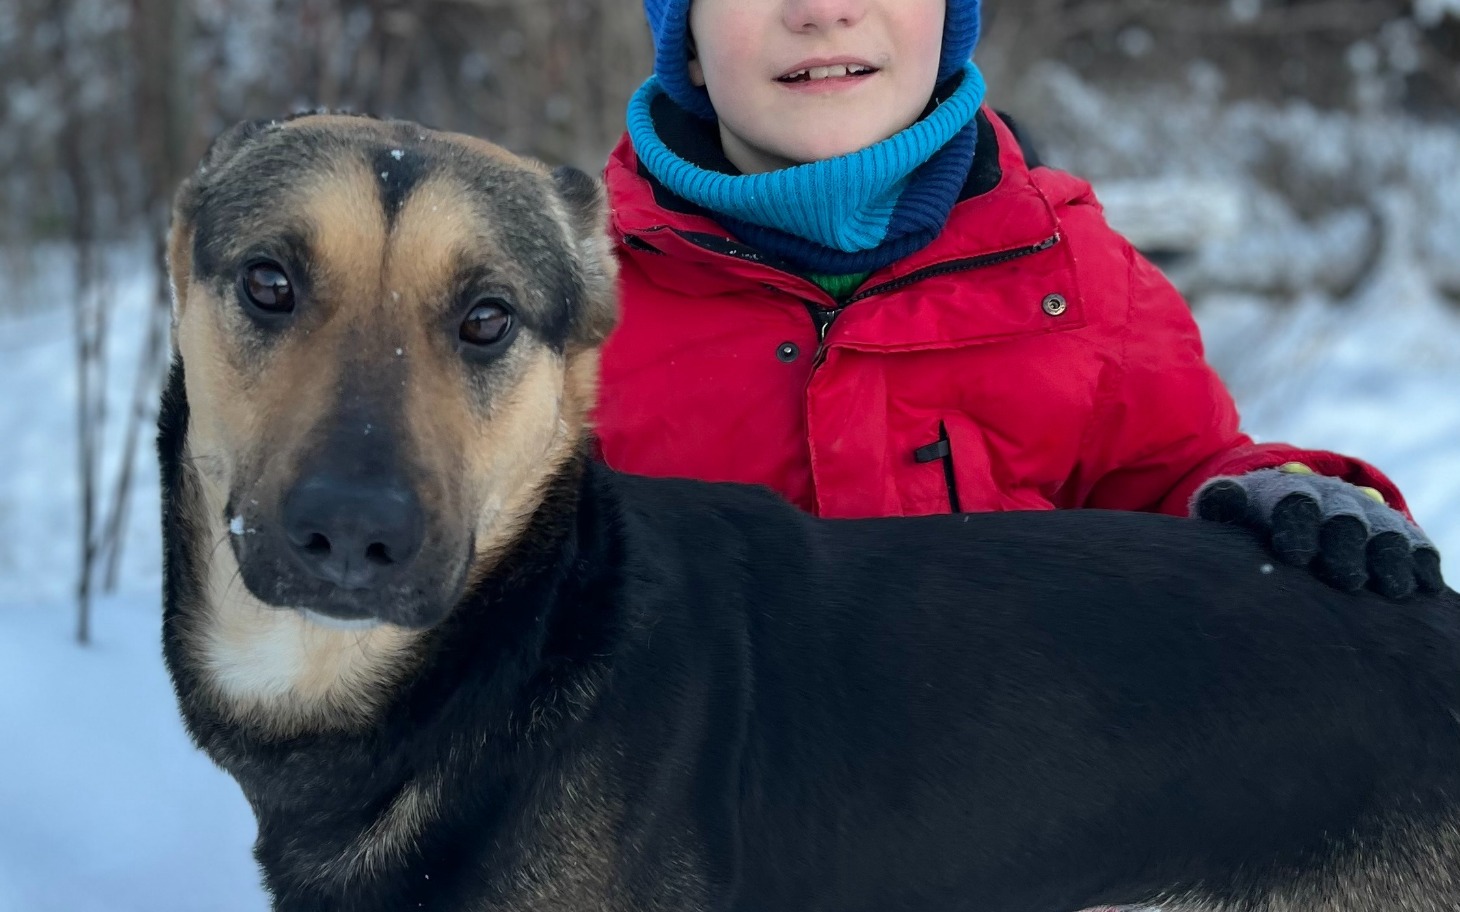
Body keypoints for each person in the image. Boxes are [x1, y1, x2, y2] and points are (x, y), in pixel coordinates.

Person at [592, 0, 1442, 598]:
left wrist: (1270, 501)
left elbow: (1178, 483)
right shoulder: (574, 311)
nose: (823, 9)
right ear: (686, 40)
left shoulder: (1077, 276)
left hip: (1019, 804)